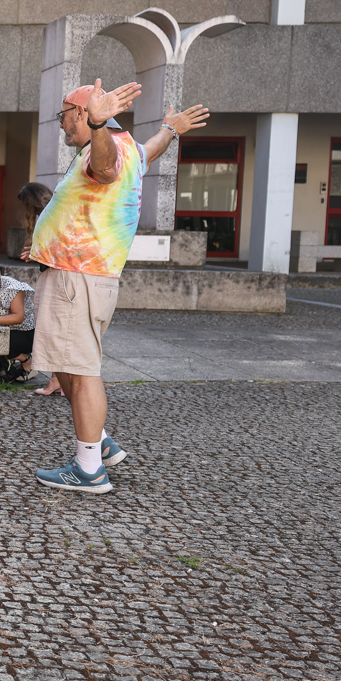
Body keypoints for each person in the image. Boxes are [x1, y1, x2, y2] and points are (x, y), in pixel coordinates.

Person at [30, 79, 209, 493]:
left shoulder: (103, 147)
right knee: (67, 362)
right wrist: (172, 129)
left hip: (79, 278)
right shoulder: (132, 148)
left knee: (83, 368)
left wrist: (95, 126)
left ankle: (89, 467)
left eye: (64, 116)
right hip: (79, 274)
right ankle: (100, 442)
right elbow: (152, 150)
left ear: (84, 112)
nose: (62, 125)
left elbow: (105, 168)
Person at [16, 182, 61, 396]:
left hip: (56, 278)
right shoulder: (56, 212)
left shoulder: (50, 217)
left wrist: (36, 254)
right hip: (55, 276)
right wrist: (35, 252)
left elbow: (56, 253)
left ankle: (56, 380)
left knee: (53, 330)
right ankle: (57, 380)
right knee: (56, 331)